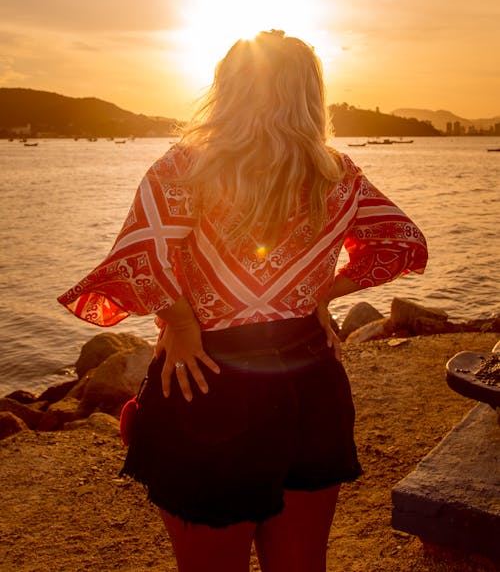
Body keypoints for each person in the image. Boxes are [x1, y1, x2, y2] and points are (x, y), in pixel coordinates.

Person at [58, 30, 428, 572]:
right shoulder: (338, 174)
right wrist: (322, 291)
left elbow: (140, 260)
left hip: (209, 379)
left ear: (227, 88)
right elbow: (403, 241)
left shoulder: (184, 168)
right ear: (311, 94)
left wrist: (181, 324)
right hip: (310, 381)